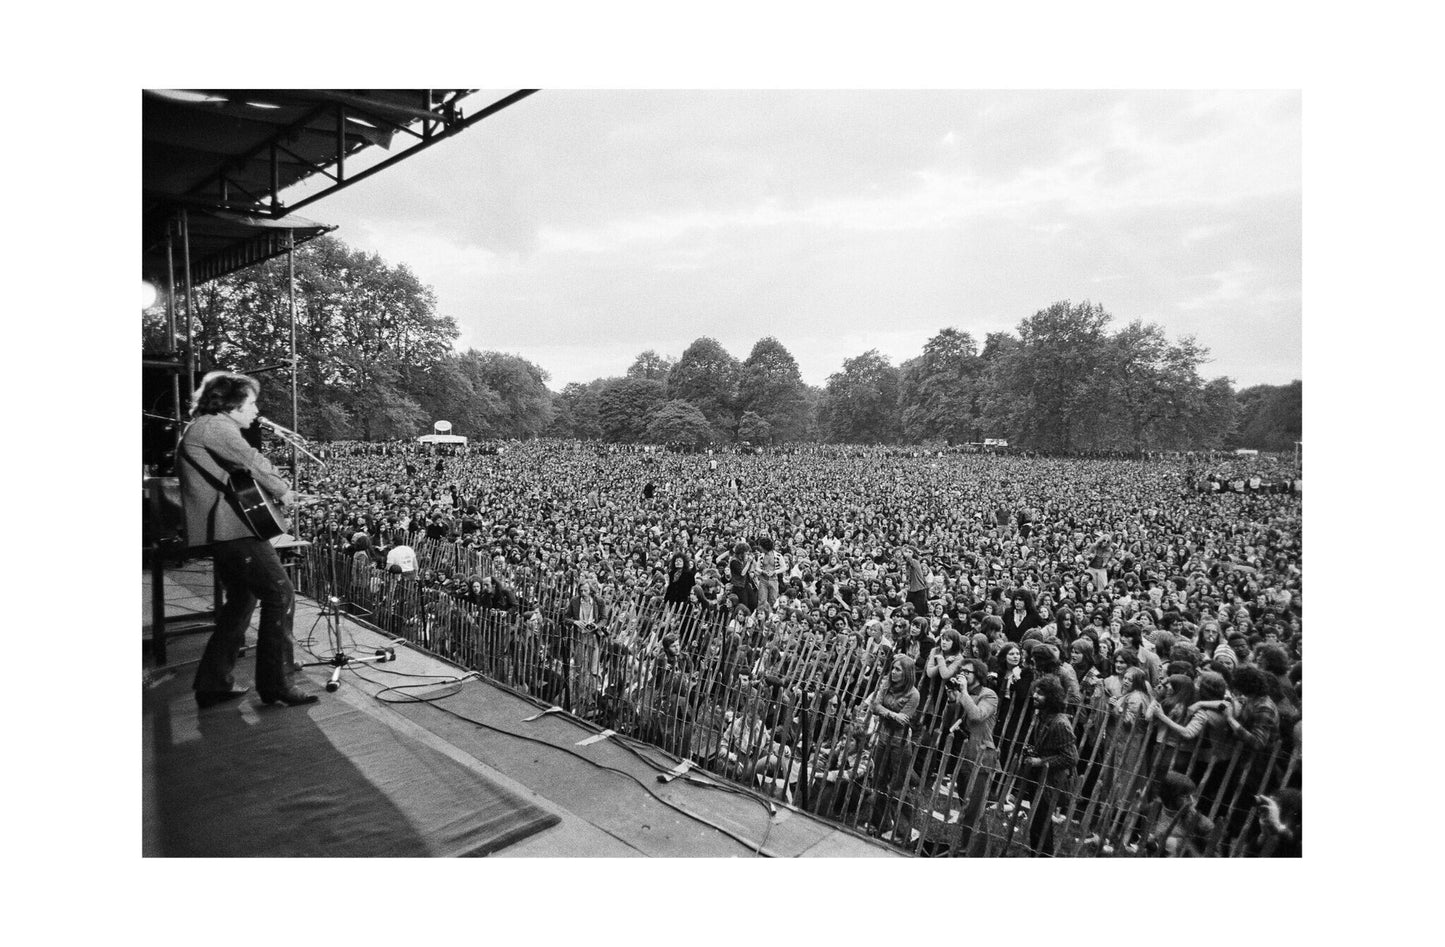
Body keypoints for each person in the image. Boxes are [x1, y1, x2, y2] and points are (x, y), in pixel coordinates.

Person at [177, 371, 317, 708]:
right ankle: (276, 683)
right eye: (251, 403)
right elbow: (251, 461)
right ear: (231, 405)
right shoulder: (216, 426)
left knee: (242, 600)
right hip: (233, 530)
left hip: (229, 529)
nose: (256, 410)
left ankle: (213, 682)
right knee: (279, 593)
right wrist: (283, 490)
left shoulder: (206, 427)